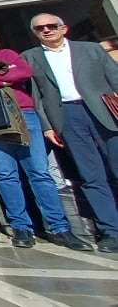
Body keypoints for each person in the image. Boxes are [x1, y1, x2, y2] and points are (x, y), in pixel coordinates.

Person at [0, 23, 92, 251]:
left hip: (24, 114)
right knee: (5, 174)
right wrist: (4, 78)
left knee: (39, 172)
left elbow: (23, 72)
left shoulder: (5, 54)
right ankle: (21, 227)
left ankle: (59, 227)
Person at [21, 14, 118, 253]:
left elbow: (115, 79)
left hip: (103, 110)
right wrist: (47, 126)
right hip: (67, 117)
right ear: (35, 32)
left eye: (52, 26)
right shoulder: (30, 58)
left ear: (64, 28)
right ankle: (111, 230)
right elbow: (37, 97)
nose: (46, 30)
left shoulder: (91, 49)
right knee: (90, 175)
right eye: (40, 28)